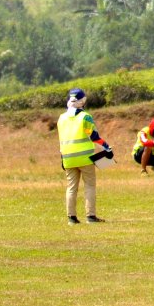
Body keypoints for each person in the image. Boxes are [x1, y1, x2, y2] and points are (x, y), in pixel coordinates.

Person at [57, 88, 112, 224]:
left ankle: (71, 218)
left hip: (68, 158)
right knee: (89, 186)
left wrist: (62, 158)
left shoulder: (61, 118)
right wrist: (106, 146)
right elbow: (93, 136)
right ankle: (91, 216)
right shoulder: (85, 117)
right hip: (85, 157)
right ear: (82, 101)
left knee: (71, 188)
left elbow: (62, 139)